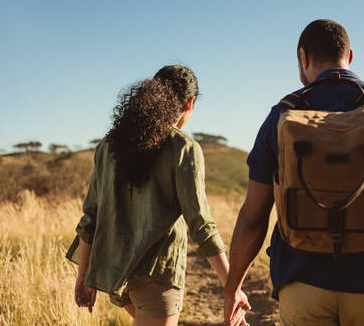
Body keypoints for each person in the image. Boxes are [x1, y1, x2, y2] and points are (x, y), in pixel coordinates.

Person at [224, 20, 364, 326]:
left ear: (302, 56)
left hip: (302, 283)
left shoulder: (282, 116)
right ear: (349, 56)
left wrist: (233, 287)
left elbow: (253, 217)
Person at [65, 65, 250, 326]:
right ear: (190, 102)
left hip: (117, 275)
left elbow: (90, 218)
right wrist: (232, 286)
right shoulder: (182, 148)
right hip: (157, 276)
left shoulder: (108, 147)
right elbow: (200, 224)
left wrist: (84, 273)